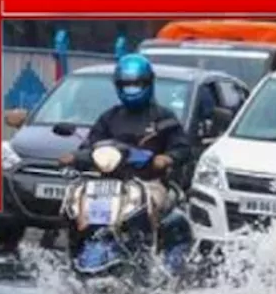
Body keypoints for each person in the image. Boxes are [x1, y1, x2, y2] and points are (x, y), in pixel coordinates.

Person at [57, 54, 192, 249]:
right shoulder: (109, 117)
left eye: (137, 84)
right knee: (76, 202)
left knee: (151, 205)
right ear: (118, 86)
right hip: (108, 184)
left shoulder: (163, 117)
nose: (131, 89)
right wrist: (74, 157)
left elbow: (182, 147)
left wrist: (166, 158)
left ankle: (147, 249)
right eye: (126, 85)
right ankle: (77, 244)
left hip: (148, 182)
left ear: (148, 83)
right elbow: (90, 145)